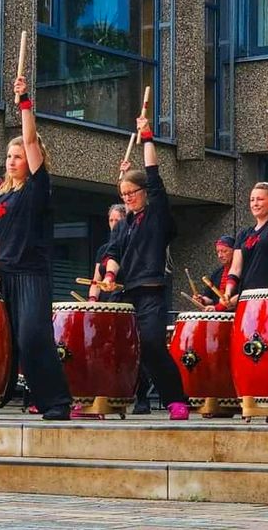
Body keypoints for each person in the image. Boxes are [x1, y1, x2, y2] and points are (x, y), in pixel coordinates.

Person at [0, 75, 72, 420]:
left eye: (17, 156)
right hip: (3, 276)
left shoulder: (37, 189)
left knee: (33, 337)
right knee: (3, 343)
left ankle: (57, 402)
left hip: (32, 274)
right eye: (8, 156)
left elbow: (31, 138)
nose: (11, 160)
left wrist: (24, 103)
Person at [99, 116, 189, 420]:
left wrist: (148, 136)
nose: (127, 199)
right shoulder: (123, 224)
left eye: (132, 194)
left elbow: (153, 175)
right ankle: (104, 399)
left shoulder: (156, 214)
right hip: (125, 293)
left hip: (150, 291)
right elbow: (113, 253)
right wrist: (110, 275)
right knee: (112, 346)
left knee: (151, 344)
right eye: (123, 196)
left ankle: (176, 400)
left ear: (144, 193)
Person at [221, 133, 268, 307]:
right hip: (248, 300)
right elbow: (236, 269)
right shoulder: (244, 234)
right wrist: (229, 291)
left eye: (260, 199)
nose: (255, 203)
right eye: (252, 199)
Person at [88, 203, 127, 302]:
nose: (114, 224)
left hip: (123, 300)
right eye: (111, 220)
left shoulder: (129, 246)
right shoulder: (103, 249)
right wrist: (92, 300)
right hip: (104, 302)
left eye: (117, 221)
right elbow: (96, 281)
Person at [196, 236, 234, 309]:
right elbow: (210, 300)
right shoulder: (217, 273)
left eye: (224, 251)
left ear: (234, 252)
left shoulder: (242, 272)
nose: (220, 256)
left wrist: (218, 308)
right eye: (218, 252)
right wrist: (202, 300)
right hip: (217, 311)